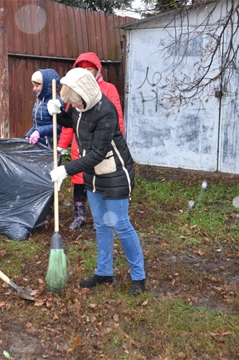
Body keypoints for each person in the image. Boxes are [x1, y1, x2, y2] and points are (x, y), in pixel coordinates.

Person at [48, 68, 146, 296]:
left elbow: (97, 154)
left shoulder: (106, 112)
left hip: (115, 174)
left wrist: (65, 169)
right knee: (101, 224)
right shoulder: (78, 105)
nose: (76, 106)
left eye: (77, 102)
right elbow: (73, 120)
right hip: (92, 173)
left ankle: (139, 276)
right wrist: (58, 113)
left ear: (87, 94)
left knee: (120, 223)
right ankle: (104, 271)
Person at [57, 52, 125, 230]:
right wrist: (61, 145)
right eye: (83, 70)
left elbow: (116, 119)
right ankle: (80, 215)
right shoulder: (74, 92)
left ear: (97, 71)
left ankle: (100, 218)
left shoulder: (108, 90)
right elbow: (69, 122)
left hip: (101, 146)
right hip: (80, 145)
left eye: (90, 69)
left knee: (100, 183)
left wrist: (118, 142)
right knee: (79, 182)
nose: (87, 73)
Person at [25, 69, 63, 148]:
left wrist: (39, 131)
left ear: (46, 85)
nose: (34, 89)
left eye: (37, 86)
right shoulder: (39, 100)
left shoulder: (55, 102)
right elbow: (37, 124)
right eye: (33, 85)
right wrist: (29, 135)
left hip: (51, 146)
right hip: (39, 144)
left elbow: (59, 127)